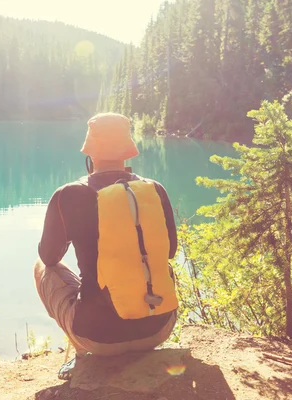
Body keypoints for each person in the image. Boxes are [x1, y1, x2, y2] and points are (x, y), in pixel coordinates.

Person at [34, 112, 178, 379]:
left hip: (99, 339)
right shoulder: (154, 189)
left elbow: (49, 257)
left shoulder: (68, 194)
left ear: (90, 152)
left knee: (41, 266)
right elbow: (169, 253)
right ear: (127, 149)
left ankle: (80, 351)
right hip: (159, 328)